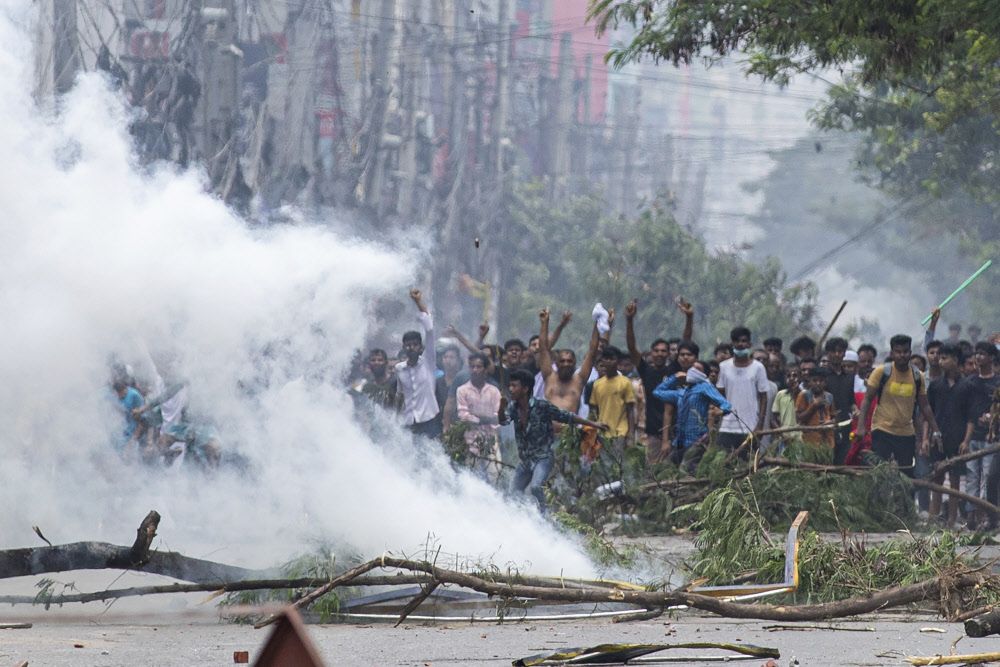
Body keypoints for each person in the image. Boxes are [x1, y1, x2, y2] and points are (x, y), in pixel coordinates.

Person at [499, 369, 607, 512]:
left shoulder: (541, 405)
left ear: (525, 389)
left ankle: (546, 517)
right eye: (509, 386)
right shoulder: (513, 407)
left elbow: (566, 416)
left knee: (537, 487)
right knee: (513, 493)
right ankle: (521, 518)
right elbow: (504, 421)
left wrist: (593, 424)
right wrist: (501, 408)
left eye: (514, 386)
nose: (510, 389)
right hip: (525, 460)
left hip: (542, 458)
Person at [856, 334, 942, 475]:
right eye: (898, 352)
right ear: (892, 353)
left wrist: (936, 430)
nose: (902, 355)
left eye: (905, 352)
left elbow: (925, 406)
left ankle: (903, 498)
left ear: (910, 353)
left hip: (906, 433)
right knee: (879, 474)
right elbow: (867, 399)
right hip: (882, 430)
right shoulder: (881, 372)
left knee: (906, 476)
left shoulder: (917, 376)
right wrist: (861, 426)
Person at [624, 298, 693, 464]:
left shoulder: (674, 369)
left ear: (670, 353)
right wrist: (629, 320)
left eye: (664, 351)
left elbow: (686, 342)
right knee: (655, 475)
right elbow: (632, 348)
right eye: (657, 351)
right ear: (652, 353)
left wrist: (689, 318)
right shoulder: (646, 370)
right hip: (654, 433)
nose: (660, 354)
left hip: (677, 432)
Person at [653, 361, 732, 472]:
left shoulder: (704, 387)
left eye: (697, 369)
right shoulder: (682, 392)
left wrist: (718, 412)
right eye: (692, 368)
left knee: (686, 470)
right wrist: (675, 377)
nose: (692, 371)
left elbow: (726, 405)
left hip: (697, 441)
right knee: (666, 469)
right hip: (679, 441)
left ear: (704, 374)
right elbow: (657, 392)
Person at [957, 342, 1000, 529]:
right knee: (972, 477)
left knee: (988, 479)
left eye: (982, 354)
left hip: (992, 439)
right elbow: (966, 413)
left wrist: (993, 418)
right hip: (973, 437)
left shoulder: (997, 383)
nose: (978, 357)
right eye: (977, 354)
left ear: (991, 357)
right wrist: (965, 438)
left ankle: (987, 517)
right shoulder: (969, 383)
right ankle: (971, 518)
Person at [925, 344, 965, 527]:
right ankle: (934, 518)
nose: (940, 362)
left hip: (958, 438)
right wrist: (926, 437)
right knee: (937, 476)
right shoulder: (935, 386)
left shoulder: (966, 385)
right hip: (937, 437)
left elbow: (970, 416)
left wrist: (966, 440)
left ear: (955, 360)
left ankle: (951, 519)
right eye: (939, 358)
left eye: (944, 358)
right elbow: (928, 413)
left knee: (955, 478)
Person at [395, 289, 441, 438]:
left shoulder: (428, 362)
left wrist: (418, 302)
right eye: (408, 345)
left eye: (414, 344)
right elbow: (400, 395)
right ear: (403, 347)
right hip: (409, 421)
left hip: (429, 420)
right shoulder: (399, 369)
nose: (411, 348)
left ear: (420, 347)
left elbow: (429, 329)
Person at [715, 327, 770, 452]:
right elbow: (719, 396)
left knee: (748, 467)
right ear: (732, 343)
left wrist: (759, 426)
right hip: (727, 427)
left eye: (744, 341)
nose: (741, 344)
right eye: (737, 341)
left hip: (750, 427)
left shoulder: (758, 368)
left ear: (749, 343)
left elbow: (763, 398)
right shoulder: (724, 367)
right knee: (723, 464)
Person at [538, 308, 599, 414]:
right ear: (556, 363)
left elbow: (592, 352)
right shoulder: (548, 376)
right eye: (562, 361)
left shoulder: (579, 379)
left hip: (570, 429)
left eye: (569, 361)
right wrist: (544, 323)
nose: (566, 364)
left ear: (574, 363)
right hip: (547, 429)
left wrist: (598, 322)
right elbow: (543, 349)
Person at [455, 353, 503, 478]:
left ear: (485, 370)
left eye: (479, 367)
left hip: (491, 439)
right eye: (472, 367)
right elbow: (463, 415)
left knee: (495, 473)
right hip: (470, 439)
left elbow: (498, 417)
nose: (475, 370)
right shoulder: (462, 390)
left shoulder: (494, 391)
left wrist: (477, 417)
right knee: (472, 476)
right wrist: (485, 418)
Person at [588, 346, 637, 458]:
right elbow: (594, 410)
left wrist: (631, 434)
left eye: (612, 359)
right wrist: (590, 431)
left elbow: (630, 410)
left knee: (617, 463)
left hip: (620, 432)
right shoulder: (597, 384)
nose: (608, 361)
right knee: (603, 465)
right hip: (602, 431)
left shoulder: (625, 382)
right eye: (606, 358)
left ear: (618, 361)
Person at [823, 337, 855, 464]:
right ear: (828, 354)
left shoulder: (849, 377)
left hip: (845, 424)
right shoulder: (823, 376)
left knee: (843, 459)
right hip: (827, 425)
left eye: (840, 351)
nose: (837, 354)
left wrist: (855, 409)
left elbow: (851, 401)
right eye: (834, 351)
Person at [795, 367, 835, 451]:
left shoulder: (829, 396)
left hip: (826, 441)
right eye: (815, 380)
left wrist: (830, 422)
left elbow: (833, 416)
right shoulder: (804, 395)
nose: (818, 383)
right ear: (809, 381)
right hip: (810, 441)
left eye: (821, 381)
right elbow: (799, 418)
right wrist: (813, 406)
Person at [112, 380, 144, 453]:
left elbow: (143, 419)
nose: (118, 397)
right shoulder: (115, 396)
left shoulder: (134, 395)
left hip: (135, 431)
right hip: (123, 430)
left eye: (120, 394)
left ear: (124, 390)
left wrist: (134, 439)